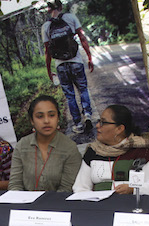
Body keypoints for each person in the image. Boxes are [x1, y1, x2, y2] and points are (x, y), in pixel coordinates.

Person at [73, 105, 149, 194]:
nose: (97, 125)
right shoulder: (93, 151)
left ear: (119, 129)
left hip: (133, 209)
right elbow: (80, 188)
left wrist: (133, 189)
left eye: (103, 122)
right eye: (98, 121)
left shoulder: (144, 152)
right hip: (99, 209)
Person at [9, 95, 81, 192]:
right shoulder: (22, 145)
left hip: (58, 204)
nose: (46, 121)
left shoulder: (69, 148)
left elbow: (66, 188)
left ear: (58, 118)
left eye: (51, 115)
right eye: (40, 116)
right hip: (25, 205)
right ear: (32, 121)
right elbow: (15, 184)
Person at [43, 0, 94, 134]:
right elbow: (82, 38)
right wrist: (89, 57)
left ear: (48, 9)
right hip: (76, 61)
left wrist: (49, 70)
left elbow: (47, 51)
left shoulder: (46, 26)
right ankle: (87, 115)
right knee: (82, 89)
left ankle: (78, 124)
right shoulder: (71, 18)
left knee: (70, 96)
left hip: (60, 65)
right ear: (61, 6)